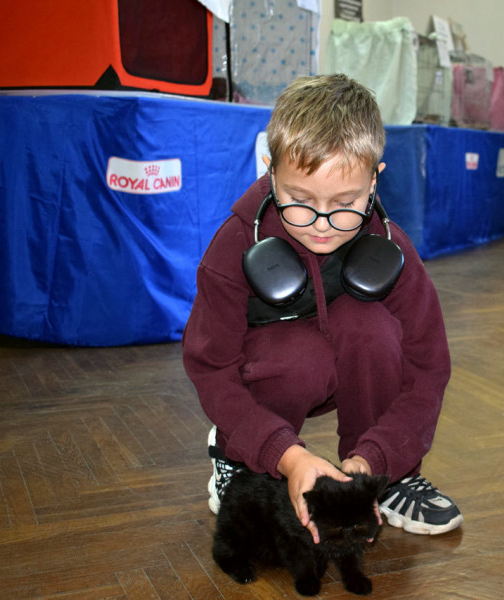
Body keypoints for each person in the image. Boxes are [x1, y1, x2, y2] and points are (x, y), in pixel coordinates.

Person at [182, 74, 464, 538]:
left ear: (375, 180)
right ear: (269, 171)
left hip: (355, 373)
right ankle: (242, 456)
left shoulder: (392, 246)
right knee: (300, 358)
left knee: (370, 327)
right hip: (275, 374)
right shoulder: (233, 244)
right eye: (300, 199)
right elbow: (211, 370)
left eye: (345, 202)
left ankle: (387, 479)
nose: (322, 225)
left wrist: (374, 460)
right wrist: (287, 455)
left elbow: (428, 367)